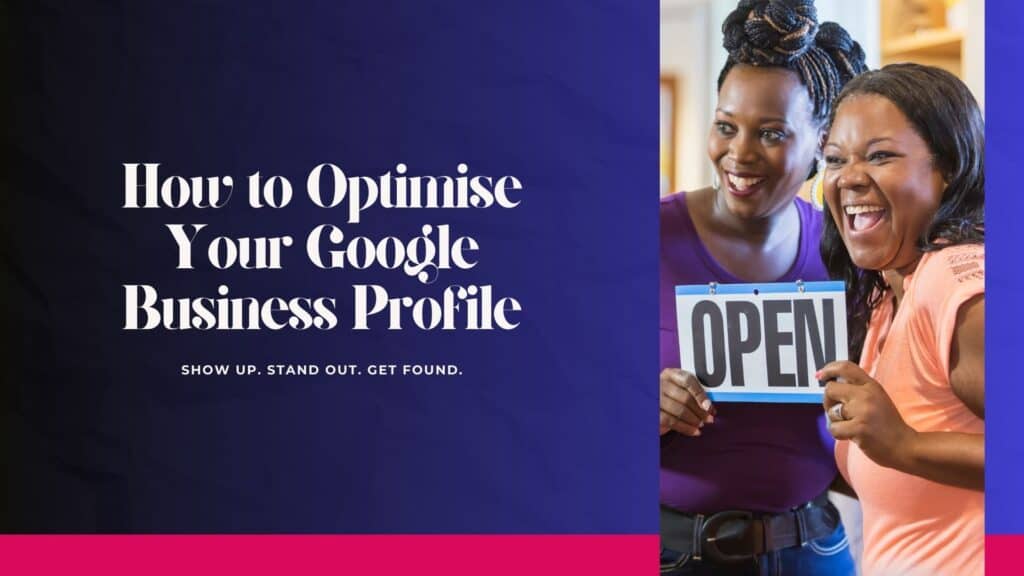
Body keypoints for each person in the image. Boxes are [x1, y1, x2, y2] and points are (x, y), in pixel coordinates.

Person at [659, 1, 866, 574]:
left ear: (821, 140)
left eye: (772, 133)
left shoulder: (850, 252)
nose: (740, 153)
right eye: (726, 126)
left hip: (813, 548)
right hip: (672, 552)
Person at [818, 63, 984, 576]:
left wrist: (904, 445)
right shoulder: (889, 292)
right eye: (835, 159)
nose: (849, 177)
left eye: (880, 156)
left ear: (948, 167)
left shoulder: (953, 279)